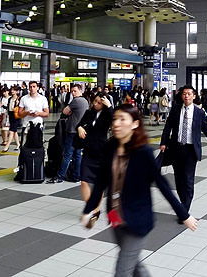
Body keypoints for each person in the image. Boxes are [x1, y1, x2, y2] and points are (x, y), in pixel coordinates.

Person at [82, 104, 197, 275]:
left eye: (123, 119)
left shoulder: (142, 152)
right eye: (115, 119)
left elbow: (161, 184)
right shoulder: (110, 147)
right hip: (116, 218)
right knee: (134, 265)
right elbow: (101, 183)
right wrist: (88, 210)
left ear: (135, 124)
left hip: (138, 220)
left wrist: (184, 214)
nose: (117, 124)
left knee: (122, 271)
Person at [159, 85, 207, 213]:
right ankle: (183, 201)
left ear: (194, 96)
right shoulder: (175, 109)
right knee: (179, 178)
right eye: (184, 94)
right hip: (176, 148)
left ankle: (185, 208)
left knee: (188, 179)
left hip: (191, 150)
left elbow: (206, 130)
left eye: (189, 94)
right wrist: (163, 142)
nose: (186, 96)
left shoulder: (199, 112)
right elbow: (168, 127)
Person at [49, 84, 89, 184]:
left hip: (72, 131)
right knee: (78, 154)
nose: (73, 93)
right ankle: (76, 176)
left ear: (81, 91)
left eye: (75, 91)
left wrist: (69, 112)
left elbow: (65, 111)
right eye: (72, 91)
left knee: (67, 154)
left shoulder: (76, 101)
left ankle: (60, 176)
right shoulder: (85, 101)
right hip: (81, 131)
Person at [76, 93, 113, 203]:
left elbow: (115, 120)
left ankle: (95, 209)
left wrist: (110, 106)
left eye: (99, 103)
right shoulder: (89, 113)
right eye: (95, 101)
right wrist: (79, 128)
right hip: (88, 150)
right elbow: (79, 124)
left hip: (101, 151)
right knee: (84, 180)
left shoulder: (107, 114)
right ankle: (90, 206)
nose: (95, 104)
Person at [4, 86, 22, 152]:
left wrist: (17, 104)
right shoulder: (10, 99)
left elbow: (21, 108)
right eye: (12, 90)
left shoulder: (19, 99)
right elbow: (8, 107)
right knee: (14, 131)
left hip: (16, 116)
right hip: (11, 115)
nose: (12, 91)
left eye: (14, 90)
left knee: (11, 131)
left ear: (17, 91)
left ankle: (7, 145)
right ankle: (18, 144)